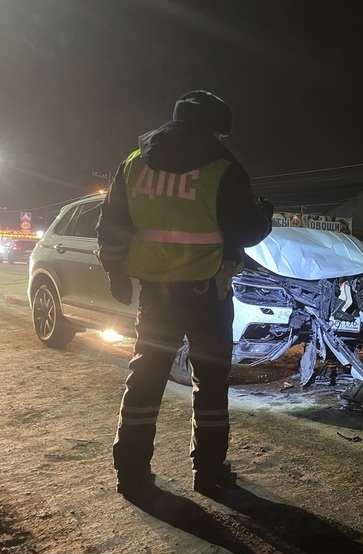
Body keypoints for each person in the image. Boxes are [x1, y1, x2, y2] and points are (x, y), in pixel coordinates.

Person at [96, 90, 273, 499]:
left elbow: (112, 224)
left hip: (156, 296)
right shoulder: (223, 168)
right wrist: (265, 212)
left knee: (145, 379)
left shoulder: (134, 163)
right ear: (215, 129)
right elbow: (247, 230)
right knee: (210, 385)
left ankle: (131, 471)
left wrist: (116, 274)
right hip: (207, 294)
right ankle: (209, 473)